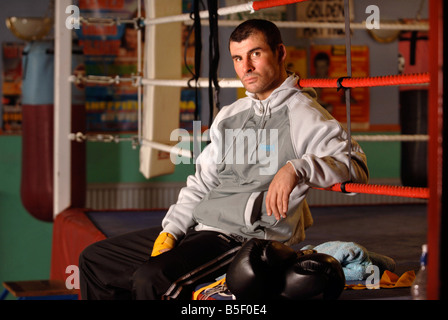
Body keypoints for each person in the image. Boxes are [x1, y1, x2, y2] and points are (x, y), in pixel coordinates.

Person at [79, 19, 369, 300]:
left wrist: (297, 168)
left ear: (280, 53)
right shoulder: (231, 115)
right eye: (238, 58)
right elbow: (202, 181)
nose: (247, 67)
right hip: (201, 227)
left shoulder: (303, 113)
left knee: (151, 279)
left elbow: (356, 168)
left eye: (256, 54)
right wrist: (172, 231)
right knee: (96, 260)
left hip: (242, 238)